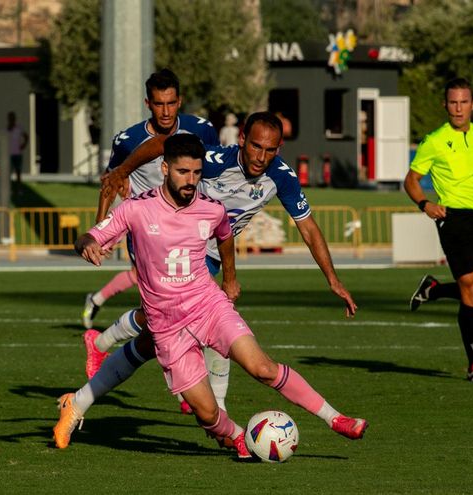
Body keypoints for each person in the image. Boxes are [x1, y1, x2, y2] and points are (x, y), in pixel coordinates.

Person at [53, 134, 367, 457]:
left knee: (263, 368)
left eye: (196, 173)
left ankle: (335, 418)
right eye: (182, 172)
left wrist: (229, 278)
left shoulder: (210, 209)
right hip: (167, 326)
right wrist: (88, 244)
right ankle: (239, 436)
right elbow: (90, 235)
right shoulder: (136, 209)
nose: (191, 181)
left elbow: (225, 235)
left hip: (208, 306)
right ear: (164, 169)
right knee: (207, 415)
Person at [81, 69, 218, 329]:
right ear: (148, 104)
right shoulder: (127, 141)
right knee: (167, 308)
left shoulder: (202, 130)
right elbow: (111, 184)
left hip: (189, 228)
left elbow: (212, 175)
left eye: (170, 104)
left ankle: (108, 338)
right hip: (147, 231)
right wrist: (101, 231)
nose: (165, 112)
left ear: (179, 101)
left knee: (191, 304)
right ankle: (109, 341)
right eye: (158, 104)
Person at [404, 77, 473, 383]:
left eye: (463, 102)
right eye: (452, 102)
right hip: (452, 220)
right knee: (471, 287)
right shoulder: (434, 140)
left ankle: (434, 290)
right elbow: (410, 180)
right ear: (445, 105)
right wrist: (425, 204)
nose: (458, 108)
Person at [7, 111, 29, 189]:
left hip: (17, 154)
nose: (11, 119)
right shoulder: (7, 129)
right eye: (10, 118)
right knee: (8, 173)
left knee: (18, 172)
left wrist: (23, 145)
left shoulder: (18, 128)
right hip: (9, 154)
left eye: (12, 118)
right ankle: (9, 189)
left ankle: (19, 189)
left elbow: (26, 136)